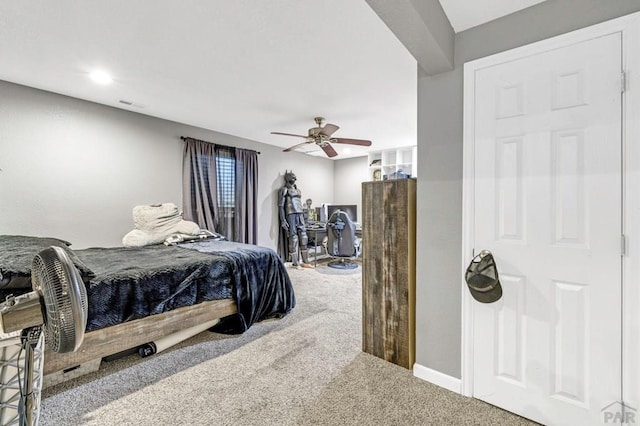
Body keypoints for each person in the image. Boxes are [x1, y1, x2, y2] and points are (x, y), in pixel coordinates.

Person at [278, 170, 311, 267]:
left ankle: (305, 261)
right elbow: (280, 206)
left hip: (300, 214)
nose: (295, 179)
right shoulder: (284, 190)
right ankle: (295, 262)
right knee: (293, 238)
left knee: (304, 236)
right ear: (288, 178)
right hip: (290, 214)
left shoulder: (297, 190)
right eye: (293, 177)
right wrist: (283, 220)